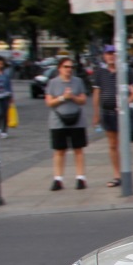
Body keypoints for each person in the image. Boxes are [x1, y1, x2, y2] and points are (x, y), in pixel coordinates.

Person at [91, 46, 133, 188]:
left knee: (123, 144)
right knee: (112, 145)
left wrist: (127, 102)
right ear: (104, 56)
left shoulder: (125, 70)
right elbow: (96, 94)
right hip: (107, 113)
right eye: (108, 54)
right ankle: (117, 175)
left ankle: (126, 173)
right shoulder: (100, 72)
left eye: (113, 53)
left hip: (121, 113)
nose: (111, 56)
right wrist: (95, 114)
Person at [45, 58, 89, 191]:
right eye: (66, 67)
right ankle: (58, 179)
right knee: (59, 150)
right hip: (58, 121)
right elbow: (49, 102)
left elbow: (83, 100)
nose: (69, 69)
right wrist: (63, 98)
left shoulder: (78, 81)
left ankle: (80, 178)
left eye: (71, 67)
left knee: (78, 149)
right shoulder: (53, 83)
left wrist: (73, 97)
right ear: (60, 68)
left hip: (77, 120)